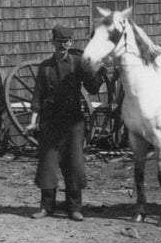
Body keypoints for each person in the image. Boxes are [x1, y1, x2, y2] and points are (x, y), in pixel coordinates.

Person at [27, 25, 105, 221]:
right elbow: (37, 96)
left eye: (66, 42)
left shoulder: (78, 64)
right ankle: (46, 207)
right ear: (52, 42)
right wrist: (33, 121)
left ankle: (74, 208)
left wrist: (99, 71)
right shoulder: (44, 67)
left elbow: (92, 87)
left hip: (73, 122)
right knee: (48, 164)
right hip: (50, 122)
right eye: (59, 42)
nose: (63, 45)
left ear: (70, 43)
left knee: (74, 165)